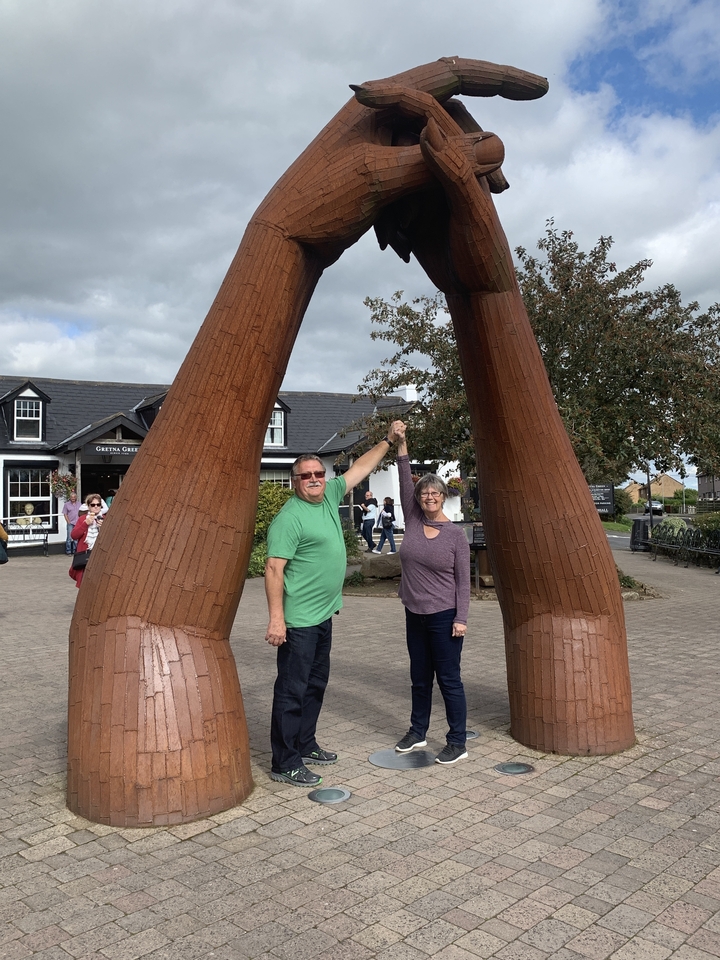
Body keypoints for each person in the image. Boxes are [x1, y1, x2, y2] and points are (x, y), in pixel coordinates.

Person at [265, 426, 403, 786]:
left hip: (323, 615)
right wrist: (276, 620)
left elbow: (361, 469)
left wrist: (388, 440)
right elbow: (273, 569)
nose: (314, 479)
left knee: (315, 685)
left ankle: (305, 743)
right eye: (306, 476)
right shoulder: (289, 518)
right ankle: (284, 761)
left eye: (318, 474)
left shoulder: (328, 497)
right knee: (292, 690)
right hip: (298, 623)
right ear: (295, 481)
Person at [393, 422, 471, 765]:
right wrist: (402, 442)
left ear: (443, 497)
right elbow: (403, 474)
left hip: (444, 617)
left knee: (449, 680)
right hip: (415, 614)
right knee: (419, 678)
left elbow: (464, 582)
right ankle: (417, 732)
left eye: (434, 493)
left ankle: (457, 741)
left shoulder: (455, 536)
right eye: (424, 492)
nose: (428, 496)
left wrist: (461, 619)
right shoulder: (412, 521)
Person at [69, 494, 105, 588]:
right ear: (89, 506)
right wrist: (85, 524)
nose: (96, 507)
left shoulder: (105, 519)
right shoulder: (82, 519)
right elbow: (74, 536)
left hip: (100, 555)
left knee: (99, 582)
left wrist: (103, 528)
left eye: (98, 504)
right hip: (85, 555)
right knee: (84, 581)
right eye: (93, 505)